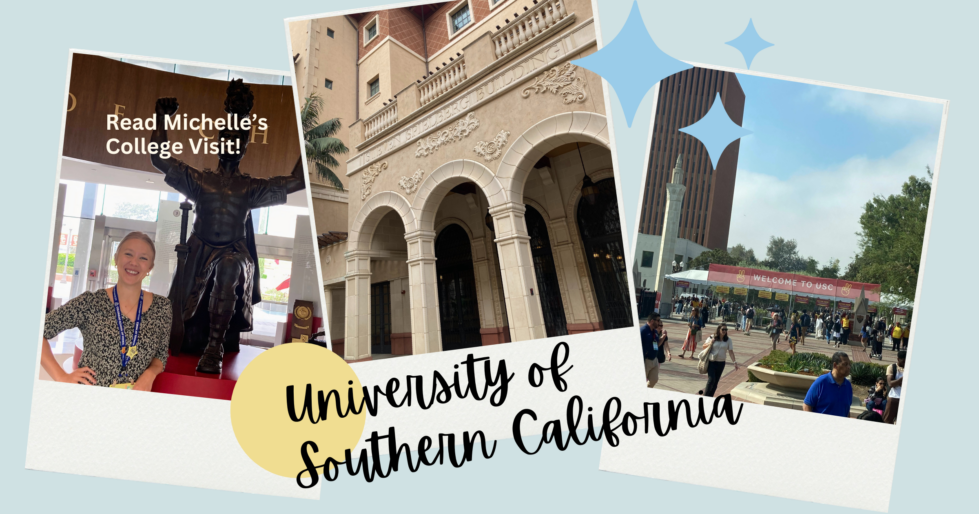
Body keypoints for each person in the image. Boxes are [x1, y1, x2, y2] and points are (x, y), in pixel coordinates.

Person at [39, 232, 172, 390]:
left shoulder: (162, 307)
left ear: (150, 267)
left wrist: (150, 374)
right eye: (128, 254)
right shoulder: (90, 302)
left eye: (143, 258)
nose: (134, 262)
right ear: (116, 258)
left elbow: (161, 355)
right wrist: (61, 377)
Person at [803, 351, 853, 417]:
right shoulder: (821, 382)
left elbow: (846, 410)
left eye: (849, 364)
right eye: (845, 364)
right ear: (835, 365)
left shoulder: (848, 386)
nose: (848, 367)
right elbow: (806, 405)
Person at [700, 324, 739, 397]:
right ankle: (705, 396)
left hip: (721, 363)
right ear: (719, 330)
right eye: (723, 329)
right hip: (712, 362)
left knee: (715, 382)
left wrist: (735, 362)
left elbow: (731, 351)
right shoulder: (712, 337)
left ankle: (710, 397)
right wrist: (710, 342)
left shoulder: (728, 340)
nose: (724, 331)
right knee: (711, 380)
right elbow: (703, 346)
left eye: (726, 329)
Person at [641, 313, 671, 388]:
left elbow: (657, 344)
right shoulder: (643, 331)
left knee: (654, 380)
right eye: (658, 320)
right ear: (652, 321)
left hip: (654, 359)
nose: (659, 322)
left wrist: (663, 337)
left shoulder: (654, 331)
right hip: (646, 360)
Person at [883, 351, 906, 424]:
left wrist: (897, 382)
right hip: (894, 398)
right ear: (898, 359)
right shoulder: (892, 367)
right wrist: (902, 379)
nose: (905, 363)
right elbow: (890, 383)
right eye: (903, 361)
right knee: (887, 421)